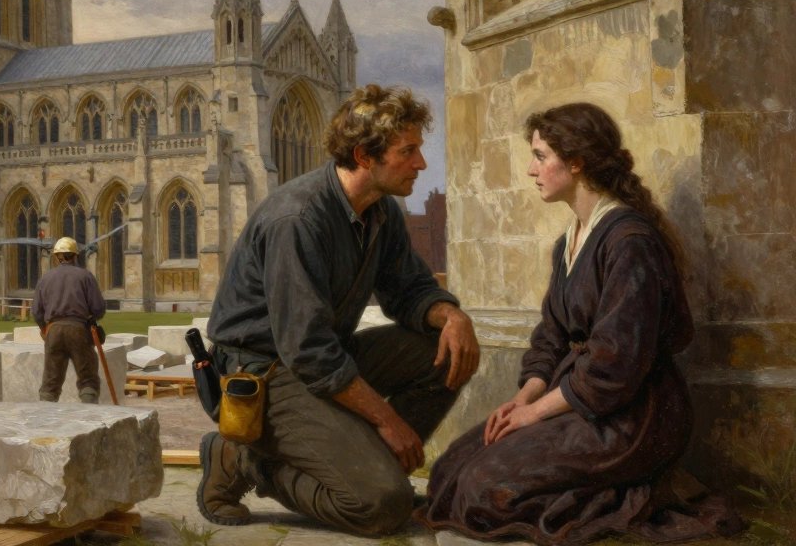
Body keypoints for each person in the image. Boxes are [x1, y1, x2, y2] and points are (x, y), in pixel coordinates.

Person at [418, 103, 742, 544]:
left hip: (632, 414)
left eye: (540, 156)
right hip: (574, 397)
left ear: (576, 162)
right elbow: (551, 336)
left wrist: (535, 414)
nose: (531, 170)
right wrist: (524, 399)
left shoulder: (630, 242)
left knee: (483, 490)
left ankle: (634, 492)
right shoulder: (568, 242)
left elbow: (615, 366)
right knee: (449, 470)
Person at [199, 85, 481, 536]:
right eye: (408, 151)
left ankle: (364, 469)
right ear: (364, 156)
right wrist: (386, 419)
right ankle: (246, 460)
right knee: (383, 507)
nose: (421, 164)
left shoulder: (380, 210)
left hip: (323, 359)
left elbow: (409, 290)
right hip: (263, 377)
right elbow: (306, 350)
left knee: (448, 348)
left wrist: (451, 315)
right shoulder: (297, 218)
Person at [32, 237, 107, 404]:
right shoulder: (85, 276)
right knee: (88, 379)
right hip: (78, 330)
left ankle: (45, 421)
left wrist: (44, 328)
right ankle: (91, 419)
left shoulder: (46, 278)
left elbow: (37, 312)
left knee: (50, 383)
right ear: (75, 256)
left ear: (57, 257)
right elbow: (98, 308)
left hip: (53, 331)